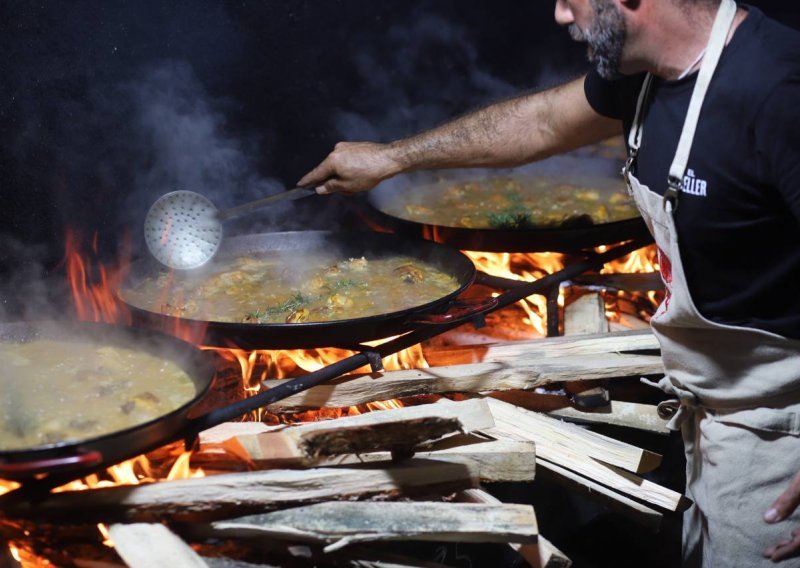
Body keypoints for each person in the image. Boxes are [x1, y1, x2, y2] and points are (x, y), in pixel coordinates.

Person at [299, 0, 800, 565]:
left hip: (779, 435)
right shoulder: (647, 79)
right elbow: (540, 123)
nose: (562, 14)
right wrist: (391, 158)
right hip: (710, 408)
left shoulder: (779, 87)